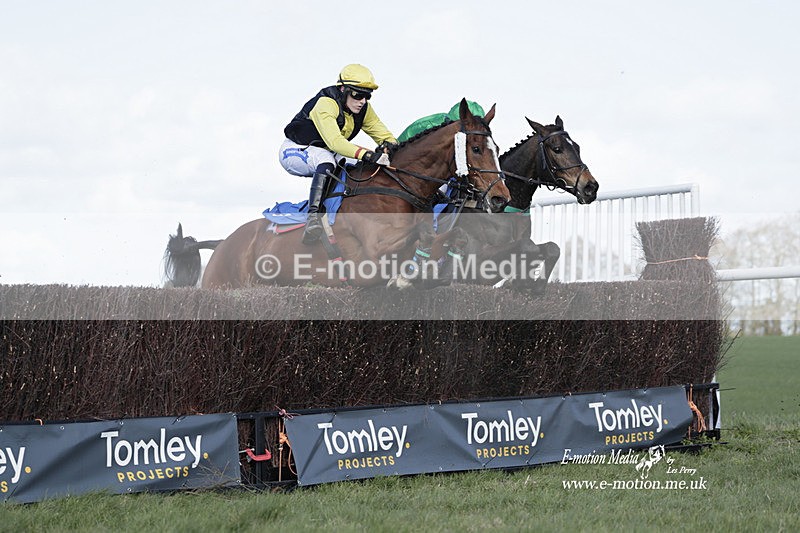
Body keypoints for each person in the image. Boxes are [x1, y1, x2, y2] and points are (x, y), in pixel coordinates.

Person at [280, 64, 399, 244]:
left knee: (360, 166)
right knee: (327, 161)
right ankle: (313, 218)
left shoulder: (364, 109)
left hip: (327, 149)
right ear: (343, 89)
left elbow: (384, 136)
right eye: (357, 95)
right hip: (295, 150)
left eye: (367, 96)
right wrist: (368, 154)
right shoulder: (326, 104)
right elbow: (335, 142)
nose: (362, 101)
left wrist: (391, 147)